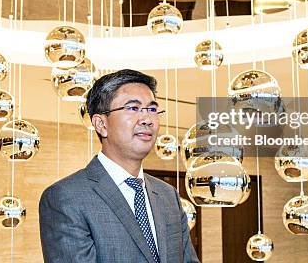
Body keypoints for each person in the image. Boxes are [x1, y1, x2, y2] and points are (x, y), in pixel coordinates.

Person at [39, 69, 200, 263]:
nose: (147, 119)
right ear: (101, 124)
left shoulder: (168, 195)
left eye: (152, 109)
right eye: (133, 108)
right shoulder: (65, 197)